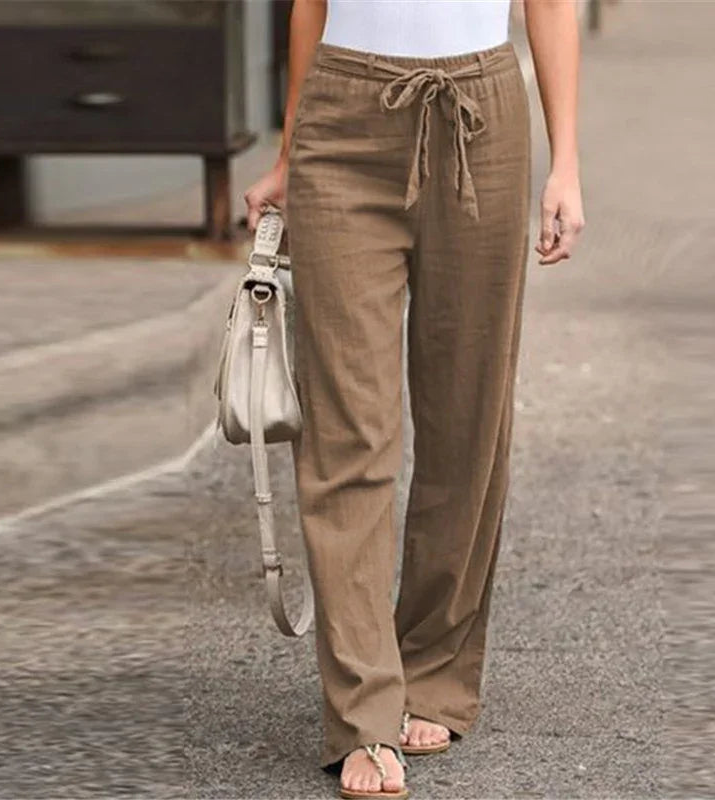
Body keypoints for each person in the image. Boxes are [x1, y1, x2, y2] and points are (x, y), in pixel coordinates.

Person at [243, 1, 584, 797]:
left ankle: (433, 667)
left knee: (467, 419)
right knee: (346, 430)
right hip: (342, 121)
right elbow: (309, 5)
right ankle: (364, 714)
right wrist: (292, 152)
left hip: (482, 114)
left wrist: (565, 163)